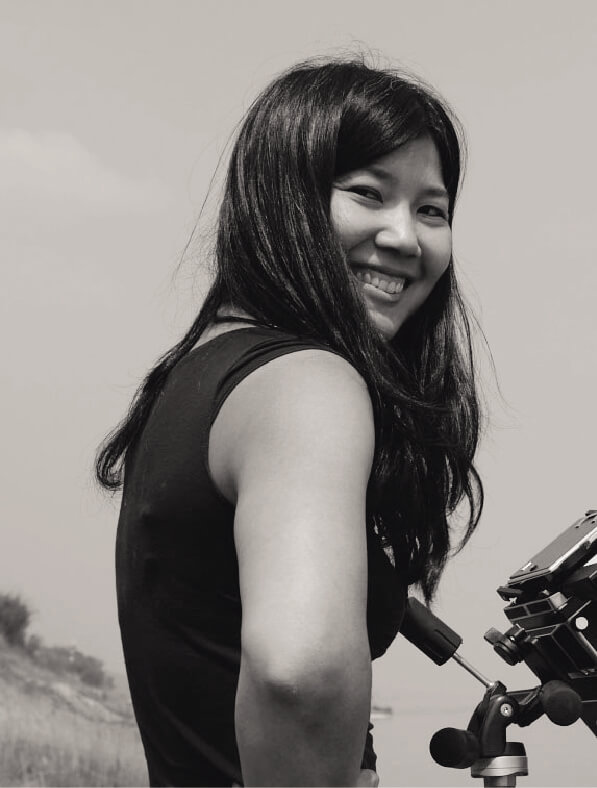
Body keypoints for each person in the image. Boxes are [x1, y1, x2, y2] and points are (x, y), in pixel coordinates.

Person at [96, 55, 483, 787]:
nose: (405, 237)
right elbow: (300, 673)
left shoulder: (204, 375)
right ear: (284, 197)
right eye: (367, 193)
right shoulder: (308, 385)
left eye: (431, 210)